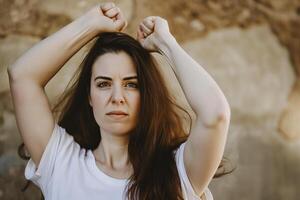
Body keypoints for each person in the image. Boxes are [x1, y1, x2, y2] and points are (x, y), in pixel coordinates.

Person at [7, 2, 232, 200]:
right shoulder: (60, 162)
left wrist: (166, 44)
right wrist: (90, 24)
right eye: (104, 84)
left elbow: (216, 114)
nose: (117, 98)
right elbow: (22, 76)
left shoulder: (179, 171)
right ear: (89, 96)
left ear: (146, 96)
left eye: (131, 84)